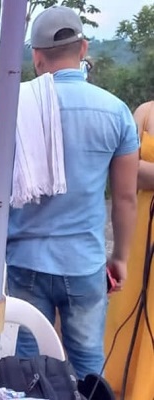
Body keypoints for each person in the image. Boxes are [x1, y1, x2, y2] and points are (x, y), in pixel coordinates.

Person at [0, 6, 138, 379]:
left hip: (25, 260)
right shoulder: (116, 112)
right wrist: (120, 257)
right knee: (87, 363)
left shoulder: (13, 105)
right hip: (84, 263)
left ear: (36, 58)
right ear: (83, 49)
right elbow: (125, 197)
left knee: (29, 364)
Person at [103, 101, 154, 400]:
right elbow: (126, 169)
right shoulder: (144, 112)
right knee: (133, 305)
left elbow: (135, 166)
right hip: (142, 229)